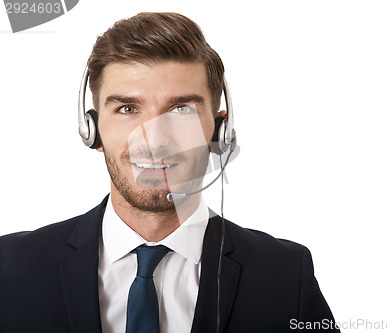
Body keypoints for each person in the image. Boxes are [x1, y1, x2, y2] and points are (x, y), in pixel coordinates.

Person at [0, 12, 340, 333]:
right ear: (92, 130)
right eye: (128, 109)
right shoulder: (9, 267)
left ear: (220, 131)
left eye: (181, 109)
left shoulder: (285, 273)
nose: (154, 138)